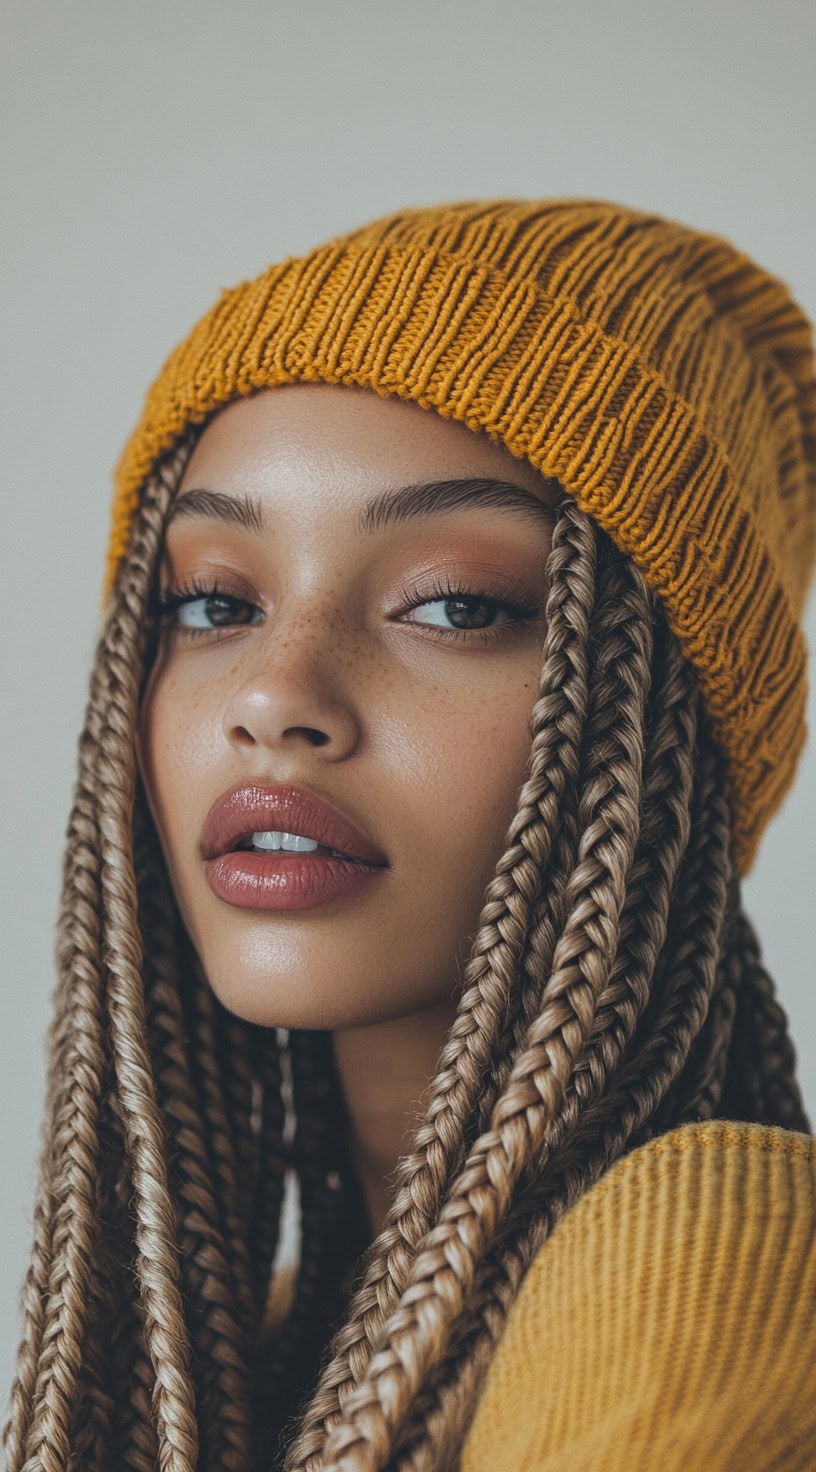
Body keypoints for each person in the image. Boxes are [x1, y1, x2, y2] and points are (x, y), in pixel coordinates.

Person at [4, 198, 816, 1472]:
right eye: (216, 600)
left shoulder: (709, 1263)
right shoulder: (278, 1352)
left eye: (452, 604)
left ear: (662, 753)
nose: (275, 694)